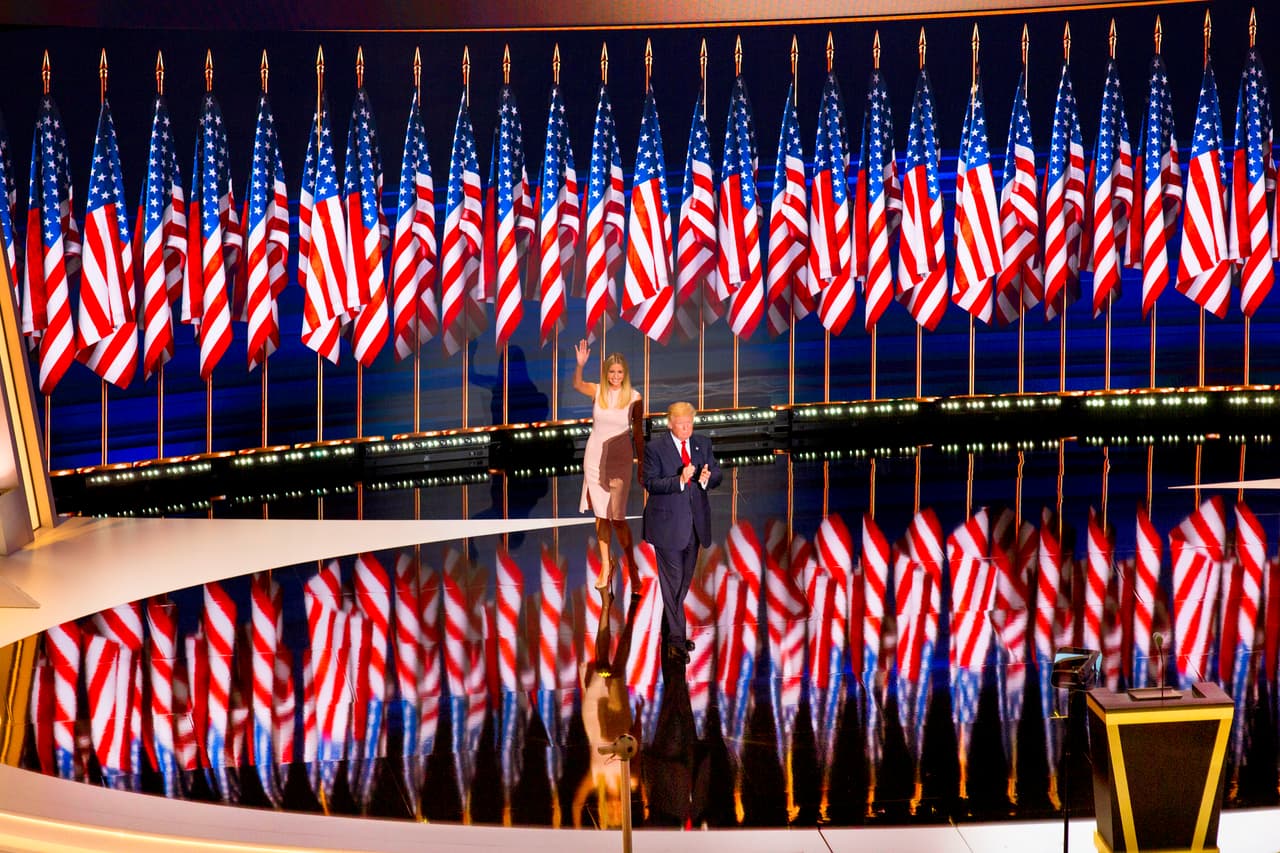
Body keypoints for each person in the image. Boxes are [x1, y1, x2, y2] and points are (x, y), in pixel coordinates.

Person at [642, 401, 722, 664]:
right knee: (672, 580)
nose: (687, 428)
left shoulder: (702, 444)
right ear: (670, 424)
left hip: (695, 526)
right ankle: (676, 639)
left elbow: (717, 472)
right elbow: (650, 482)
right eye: (681, 424)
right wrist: (679, 480)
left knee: (683, 581)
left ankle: (672, 627)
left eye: (690, 423)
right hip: (666, 527)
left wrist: (707, 477)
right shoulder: (655, 449)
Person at [573, 339, 644, 597]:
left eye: (619, 372)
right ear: (606, 373)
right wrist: (580, 365)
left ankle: (632, 567)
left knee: (618, 518)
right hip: (594, 459)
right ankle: (606, 565)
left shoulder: (635, 397)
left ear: (625, 374)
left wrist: (642, 464)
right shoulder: (598, 390)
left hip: (620, 460)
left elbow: (638, 434)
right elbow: (577, 384)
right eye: (611, 372)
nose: (615, 377)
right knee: (601, 515)